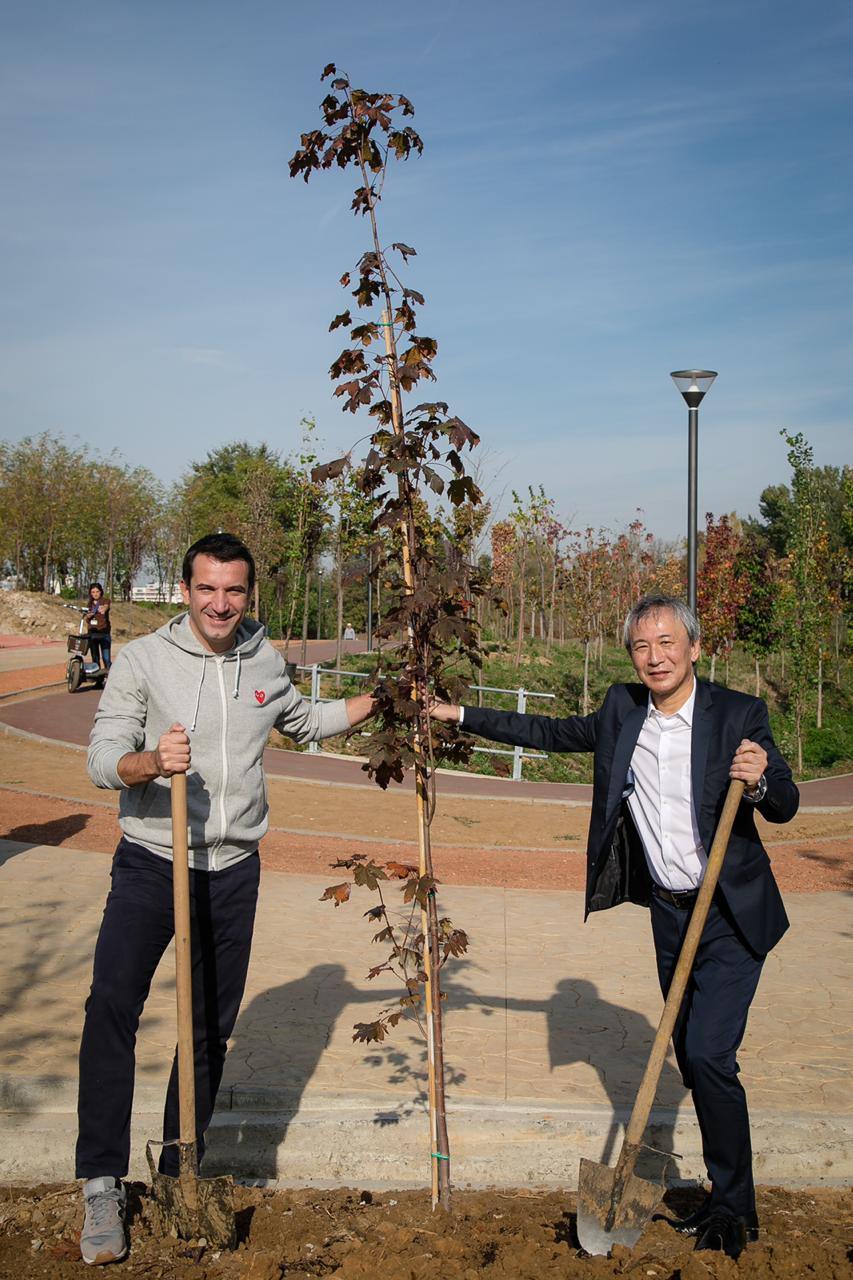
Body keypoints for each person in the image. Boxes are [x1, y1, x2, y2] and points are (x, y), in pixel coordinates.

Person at [431, 593, 798, 1261]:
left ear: (692, 648)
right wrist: (457, 713)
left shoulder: (737, 714)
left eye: (666, 643)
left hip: (730, 912)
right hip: (668, 911)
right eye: (640, 645)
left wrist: (761, 779)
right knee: (690, 1054)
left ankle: (733, 1206)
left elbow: (785, 804)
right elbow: (546, 733)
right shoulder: (621, 708)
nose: (653, 656)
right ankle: (723, 1189)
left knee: (709, 1055)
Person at [77, 533, 375, 1265]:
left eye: (234, 591)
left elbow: (302, 723)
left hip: (234, 869)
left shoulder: (265, 661)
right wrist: (150, 761)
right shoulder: (144, 661)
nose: (220, 603)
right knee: (112, 1004)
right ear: (185, 590)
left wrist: (381, 700)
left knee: (208, 1031)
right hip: (152, 864)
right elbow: (99, 758)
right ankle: (101, 1181)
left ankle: (183, 1168)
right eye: (207, 589)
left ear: (249, 595)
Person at [86, 583, 112, 671]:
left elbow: (106, 607)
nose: (95, 594)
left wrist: (103, 609)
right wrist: (88, 616)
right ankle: (99, 680)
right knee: (95, 658)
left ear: (101, 592)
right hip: (92, 633)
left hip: (104, 633)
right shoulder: (89, 604)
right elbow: (87, 617)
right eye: (93, 592)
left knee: (106, 658)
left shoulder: (105, 601)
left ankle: (109, 676)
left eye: (97, 591)